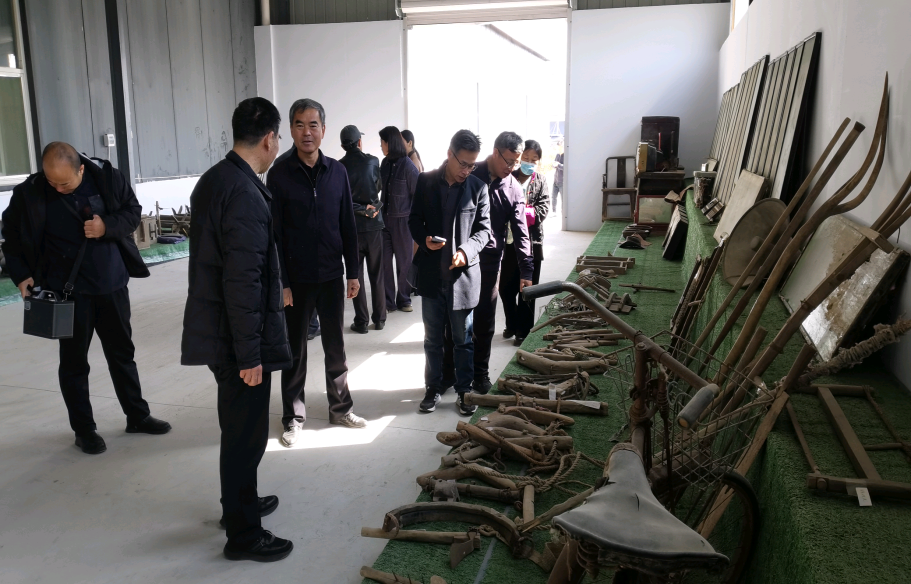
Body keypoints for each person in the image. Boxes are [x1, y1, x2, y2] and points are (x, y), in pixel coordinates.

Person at [1, 142, 170, 455]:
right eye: (52, 182)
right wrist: (22, 275)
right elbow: (9, 235)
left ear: (80, 169)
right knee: (74, 363)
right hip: (66, 291)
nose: (58, 189)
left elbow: (132, 212)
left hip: (111, 284)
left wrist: (106, 226)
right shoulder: (30, 192)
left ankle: (137, 415)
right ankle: (84, 430)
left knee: (122, 354)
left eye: (65, 183)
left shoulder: (107, 178)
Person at [181, 97, 293, 562]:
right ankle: (244, 535)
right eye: (279, 138)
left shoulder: (216, 179)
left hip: (220, 330)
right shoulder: (245, 194)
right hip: (236, 339)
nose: (277, 146)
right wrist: (250, 355)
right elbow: (242, 282)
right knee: (246, 436)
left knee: (238, 429)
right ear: (269, 139)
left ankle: (238, 505)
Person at [267, 98, 367, 447]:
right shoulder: (279, 174)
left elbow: (348, 225)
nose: (306, 132)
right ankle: (293, 418)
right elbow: (275, 235)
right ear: (291, 130)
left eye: (313, 125)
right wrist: (282, 282)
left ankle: (341, 409)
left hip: (330, 276)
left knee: (335, 347)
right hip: (296, 280)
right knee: (295, 352)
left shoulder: (337, 172)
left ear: (323, 130)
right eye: (299, 125)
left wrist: (352, 272)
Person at [409, 130, 490, 415]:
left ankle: (464, 390)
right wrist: (424, 240)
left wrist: (465, 252)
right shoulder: (426, 181)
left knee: (463, 340)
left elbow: (484, 231)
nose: (467, 170)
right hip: (433, 277)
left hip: (462, 279)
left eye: (472, 165)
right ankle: (432, 388)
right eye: (463, 164)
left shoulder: (478, 188)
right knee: (432, 340)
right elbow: (413, 220)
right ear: (449, 154)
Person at [459, 131, 533, 395]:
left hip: (490, 263)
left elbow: (521, 232)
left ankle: (480, 374)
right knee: (456, 320)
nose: (511, 167)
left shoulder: (513, 188)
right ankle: (451, 372)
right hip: (461, 259)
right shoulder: (470, 173)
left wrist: (526, 270)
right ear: (495, 151)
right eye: (508, 160)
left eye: (516, 162)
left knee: (484, 321)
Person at [499, 140, 549, 345]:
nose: (529, 163)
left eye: (534, 160)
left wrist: (526, 213)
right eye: (526, 158)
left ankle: (523, 330)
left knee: (528, 289)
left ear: (539, 161)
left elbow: (544, 207)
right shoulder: (509, 177)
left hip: (532, 243)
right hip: (509, 242)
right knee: (505, 288)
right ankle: (511, 324)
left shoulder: (541, 180)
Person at [339, 124, 386, 333]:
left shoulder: (339, 167)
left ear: (343, 146)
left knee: (355, 275)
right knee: (377, 274)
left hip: (352, 229)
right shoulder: (373, 161)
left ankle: (361, 322)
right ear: (359, 142)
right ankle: (380, 319)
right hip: (374, 225)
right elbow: (378, 187)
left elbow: (341, 199)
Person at [379, 126, 419, 313]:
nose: (381, 146)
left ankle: (403, 299)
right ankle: (389, 302)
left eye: (382, 142)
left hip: (403, 222)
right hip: (384, 221)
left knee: (404, 264)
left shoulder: (408, 166)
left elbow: (418, 196)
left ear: (390, 143)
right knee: (385, 264)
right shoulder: (384, 163)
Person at [552, 139, 564, 212]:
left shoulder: (566, 155)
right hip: (555, 181)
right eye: (558, 146)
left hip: (562, 182)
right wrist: (553, 165)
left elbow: (566, 167)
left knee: (563, 199)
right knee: (553, 197)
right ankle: (554, 211)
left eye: (560, 146)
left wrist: (558, 165)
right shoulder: (558, 155)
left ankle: (563, 213)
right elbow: (554, 164)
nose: (559, 148)